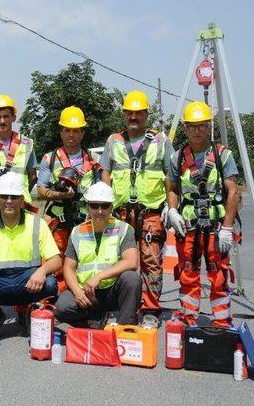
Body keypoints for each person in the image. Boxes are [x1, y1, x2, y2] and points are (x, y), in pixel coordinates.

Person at [99, 90, 173, 329]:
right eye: (129, 112)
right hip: (120, 214)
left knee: (151, 261)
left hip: (151, 212)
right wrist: (105, 204)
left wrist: (171, 208)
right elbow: (105, 172)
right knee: (118, 261)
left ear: (146, 114)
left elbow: (171, 177)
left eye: (138, 112)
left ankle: (151, 310)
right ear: (124, 115)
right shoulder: (114, 141)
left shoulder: (161, 141)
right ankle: (120, 307)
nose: (134, 117)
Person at [166, 101, 239, 328]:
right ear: (185, 129)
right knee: (188, 274)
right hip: (187, 227)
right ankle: (189, 319)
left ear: (209, 127)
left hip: (216, 230)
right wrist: (173, 211)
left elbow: (233, 191)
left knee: (218, 275)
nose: (196, 131)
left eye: (201, 126)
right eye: (191, 126)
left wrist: (227, 227)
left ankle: (222, 321)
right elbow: (172, 189)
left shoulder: (222, 156)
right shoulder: (177, 158)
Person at [0, 172, 61, 340]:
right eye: (4, 196)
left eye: (14, 197)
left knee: (51, 284)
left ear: (22, 199)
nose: (9, 201)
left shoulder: (37, 223)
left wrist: (41, 271)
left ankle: (34, 314)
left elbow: (56, 260)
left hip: (28, 280)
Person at [56, 182, 141, 327]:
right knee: (62, 308)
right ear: (88, 206)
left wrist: (99, 276)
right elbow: (68, 268)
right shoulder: (77, 231)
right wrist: (77, 292)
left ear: (112, 207)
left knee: (131, 278)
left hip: (112, 291)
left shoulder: (124, 229)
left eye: (105, 206)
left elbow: (131, 262)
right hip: (86, 291)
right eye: (95, 206)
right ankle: (93, 321)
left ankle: (124, 328)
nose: (100, 211)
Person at [37, 106, 102, 292]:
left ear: (82, 133)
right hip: (58, 220)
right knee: (54, 260)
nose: (71, 134)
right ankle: (53, 299)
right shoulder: (49, 159)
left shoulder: (93, 158)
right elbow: (41, 189)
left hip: (84, 220)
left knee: (84, 261)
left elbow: (100, 190)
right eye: (67, 130)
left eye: (76, 130)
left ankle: (81, 297)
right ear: (61, 132)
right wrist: (60, 195)